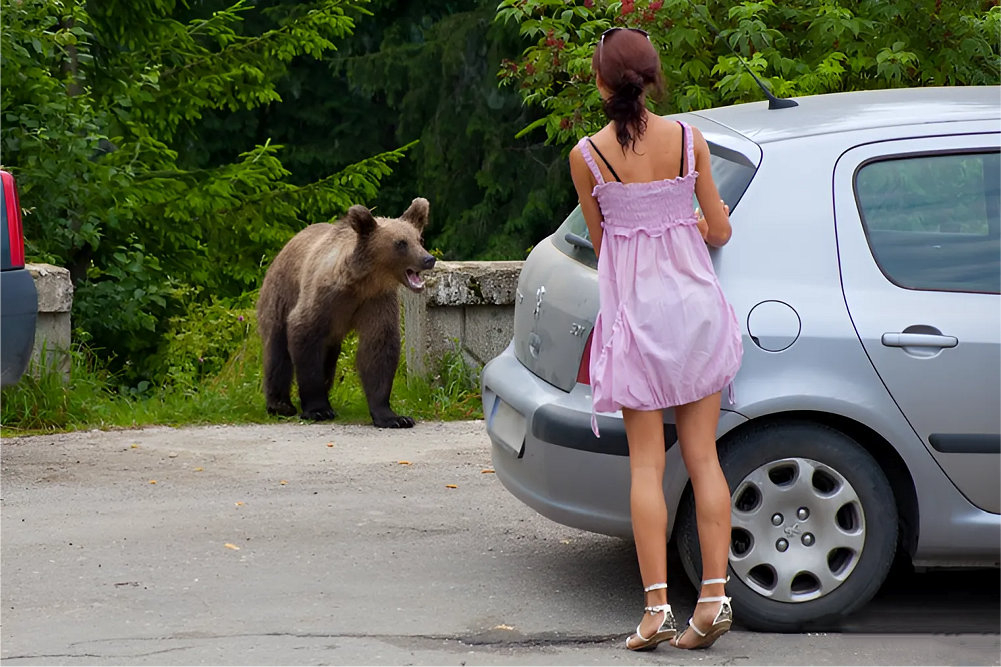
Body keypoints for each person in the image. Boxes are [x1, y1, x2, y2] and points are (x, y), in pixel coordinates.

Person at [567, 27, 743, 652]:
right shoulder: (690, 140)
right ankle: (715, 599)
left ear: (601, 82)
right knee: (704, 458)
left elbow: (602, 237)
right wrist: (691, 222)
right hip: (696, 315)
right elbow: (718, 232)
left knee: (647, 464)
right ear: (652, 77)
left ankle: (657, 612)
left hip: (638, 322)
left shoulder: (587, 156)